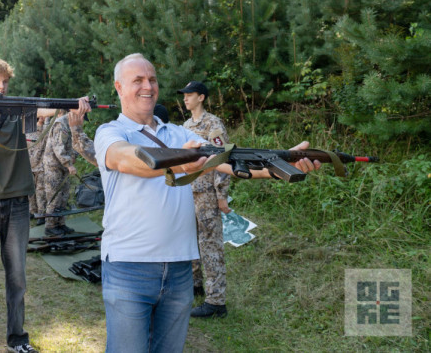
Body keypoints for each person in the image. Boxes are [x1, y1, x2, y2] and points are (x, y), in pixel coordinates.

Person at [94, 53, 321, 353]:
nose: (147, 86)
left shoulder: (179, 133)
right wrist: (180, 163)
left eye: (152, 79)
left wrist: (281, 165)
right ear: (119, 87)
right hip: (129, 267)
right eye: (137, 80)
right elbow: (126, 159)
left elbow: (229, 161)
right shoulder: (110, 132)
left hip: (178, 270)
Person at [0, 58, 89, 353]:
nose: (2, 86)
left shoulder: (21, 110)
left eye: (5, 81)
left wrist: (72, 105)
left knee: (17, 276)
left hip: (19, 202)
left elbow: (46, 108)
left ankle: (17, 339)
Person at [178, 81, 231, 318]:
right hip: (189, 191)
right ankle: (196, 284)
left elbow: (223, 160)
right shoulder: (186, 125)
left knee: (210, 245)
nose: (185, 99)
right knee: (191, 240)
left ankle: (216, 302)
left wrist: (221, 195)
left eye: (189, 95)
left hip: (208, 193)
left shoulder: (213, 124)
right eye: (184, 95)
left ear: (201, 97)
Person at [35, 110, 98, 236]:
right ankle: (50, 226)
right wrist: (68, 164)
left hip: (62, 167)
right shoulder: (60, 124)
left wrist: (73, 156)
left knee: (63, 196)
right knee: (54, 197)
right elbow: (58, 147)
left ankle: (60, 224)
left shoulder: (69, 124)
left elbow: (71, 144)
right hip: (54, 167)